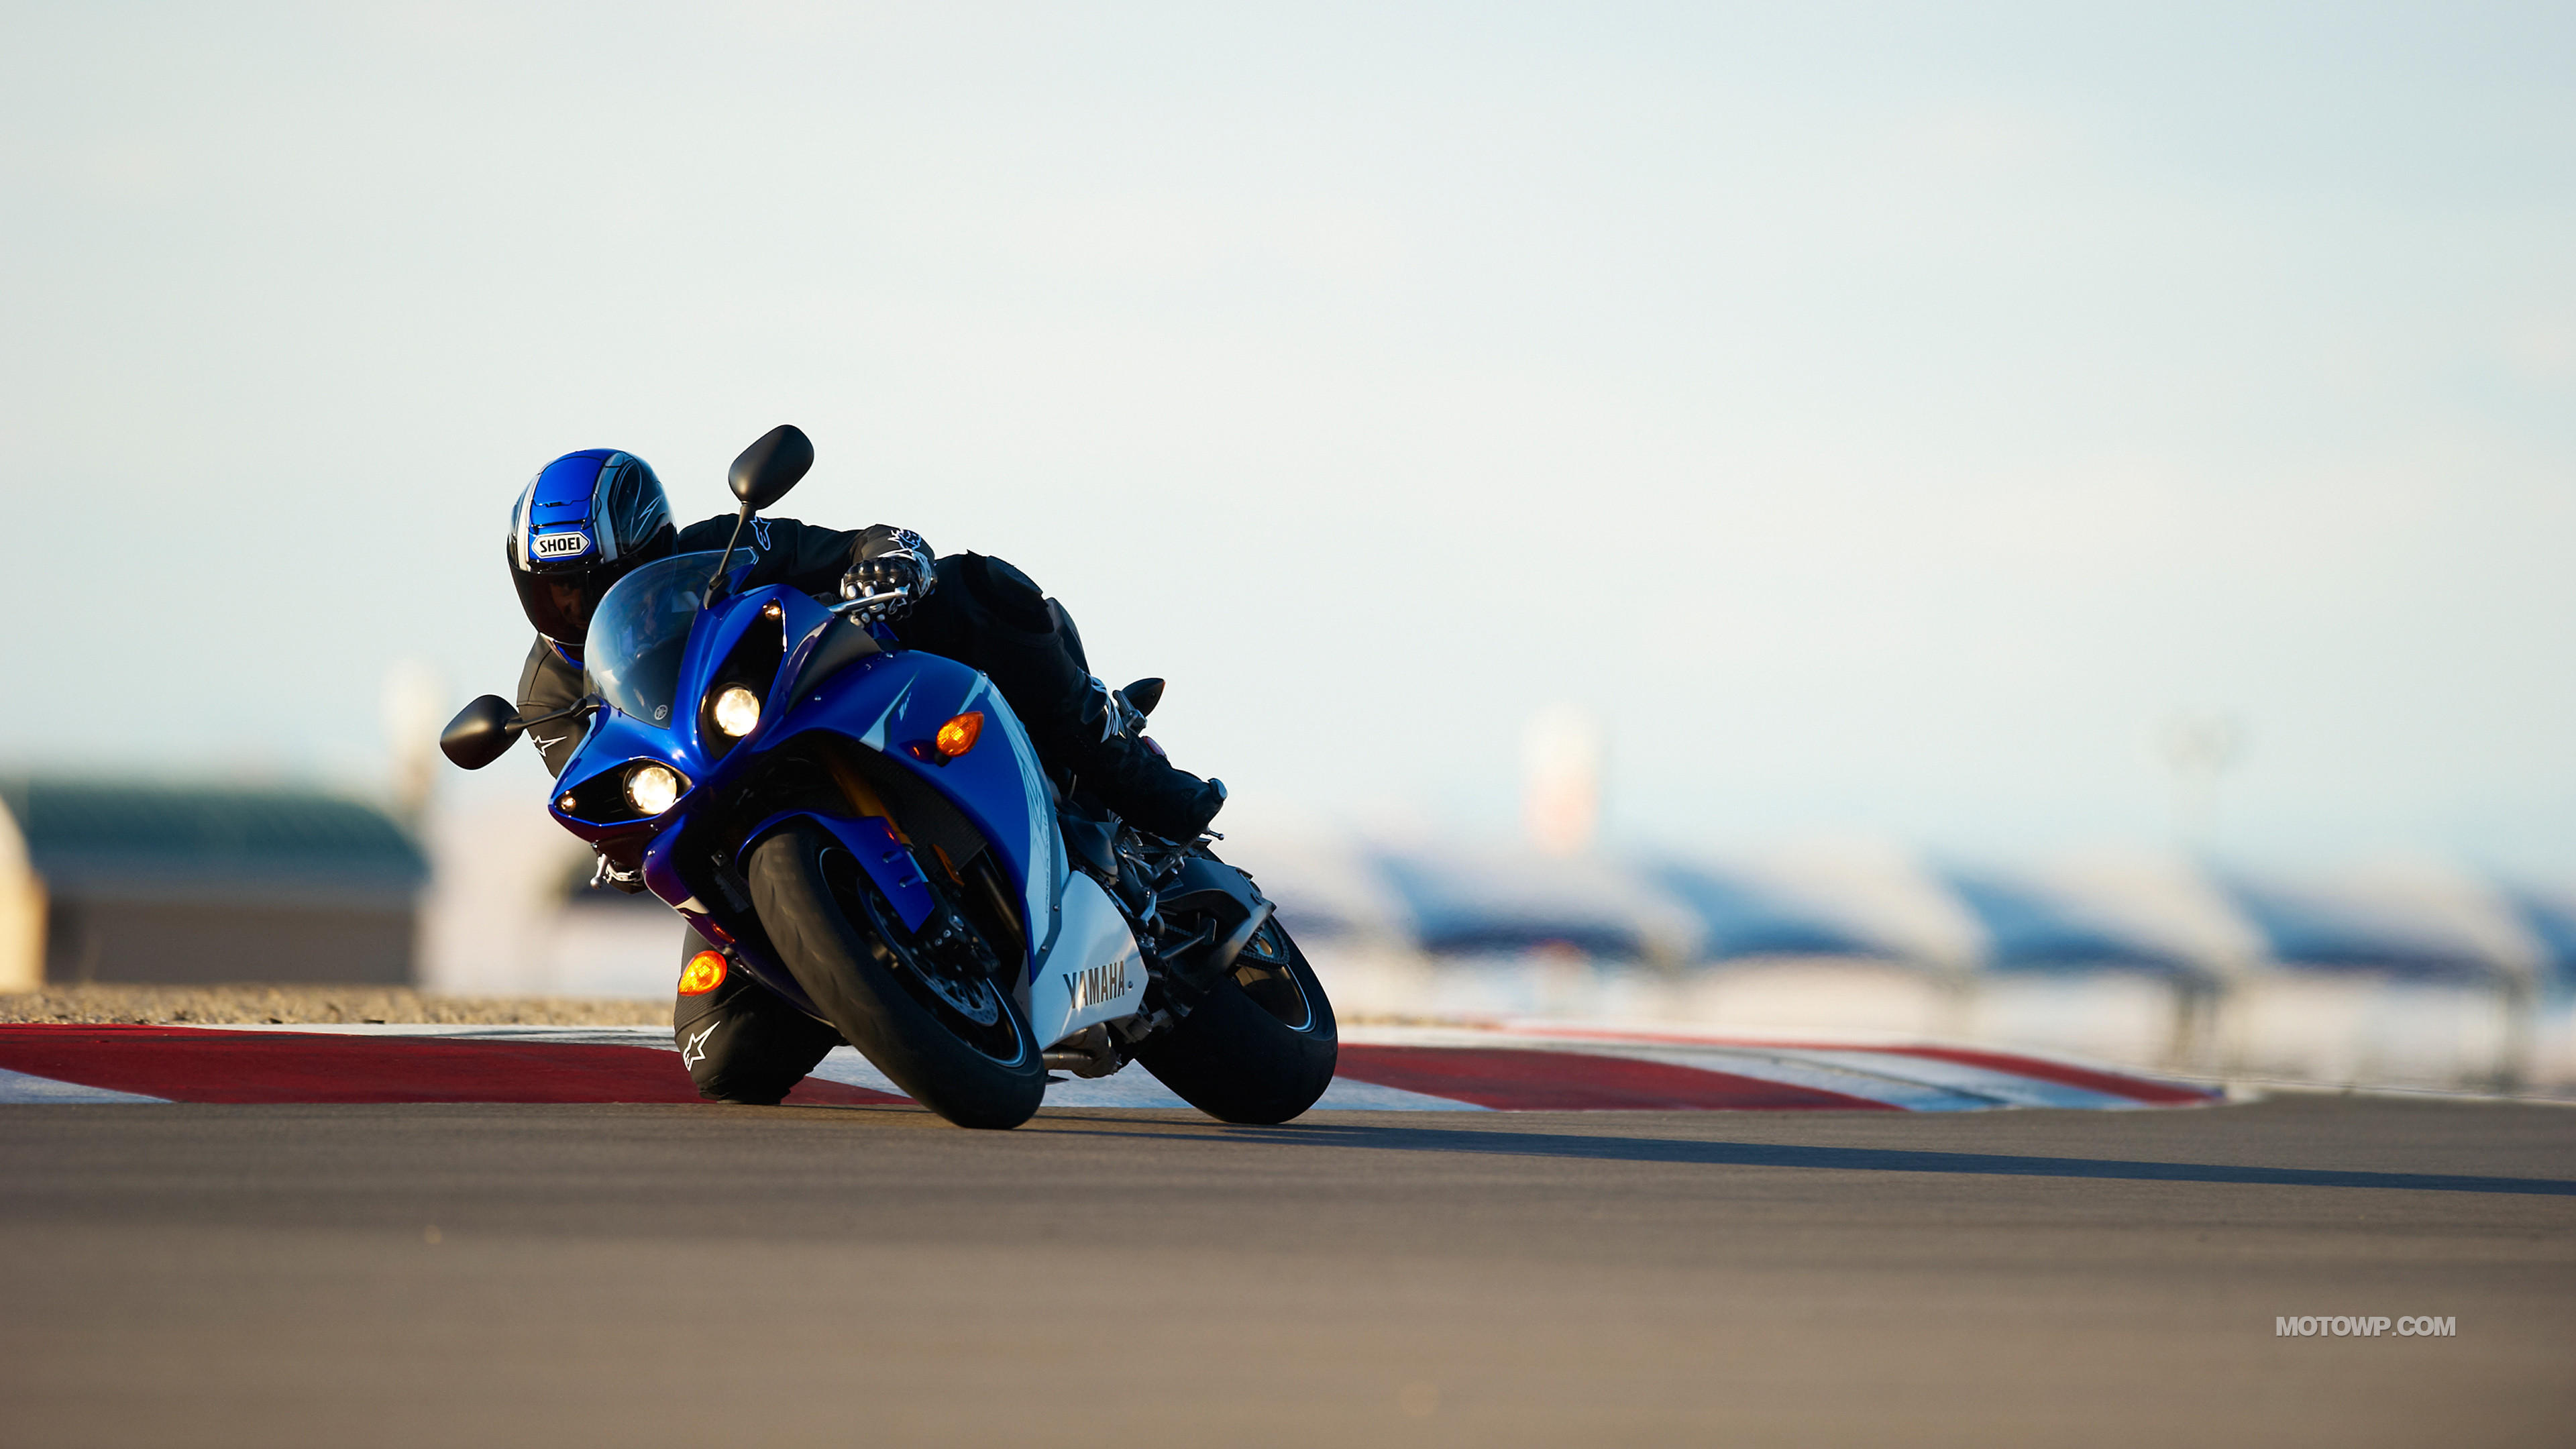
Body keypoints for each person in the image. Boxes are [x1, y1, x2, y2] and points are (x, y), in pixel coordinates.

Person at [504, 445, 1224, 1103]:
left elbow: (856, 547)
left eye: (596, 583)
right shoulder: (545, 694)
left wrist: (889, 560)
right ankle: (880, 987)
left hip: (827, 717)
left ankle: (1115, 757)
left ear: (652, 547)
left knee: (971, 589)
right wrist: (621, 841)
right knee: (722, 1060)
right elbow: (601, 787)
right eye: (557, 592)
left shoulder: (724, 551)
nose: (578, 607)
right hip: (722, 822)